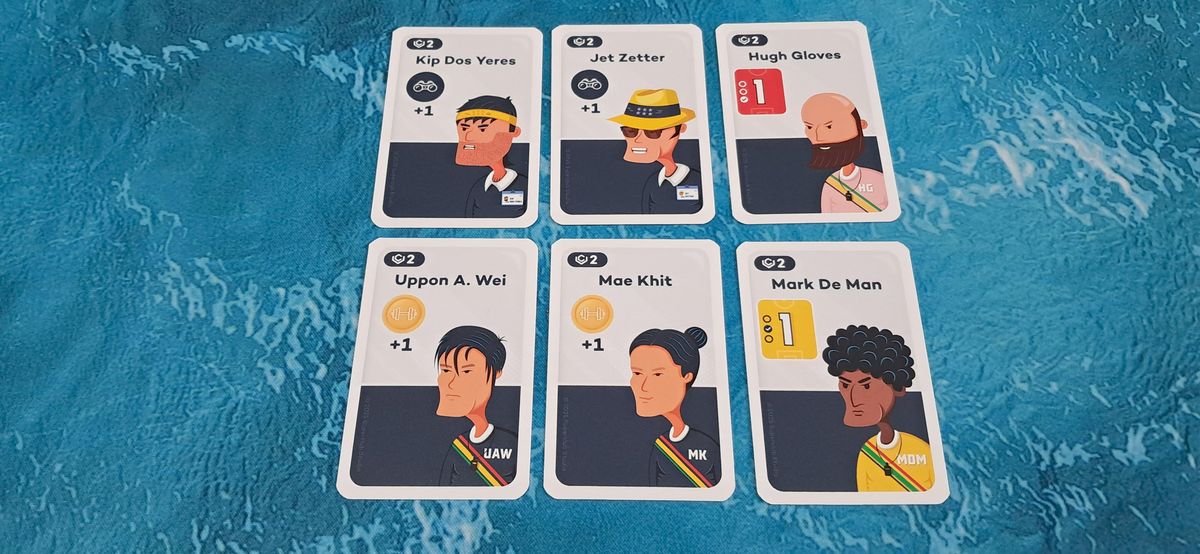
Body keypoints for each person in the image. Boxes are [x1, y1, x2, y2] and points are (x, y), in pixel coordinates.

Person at [822, 325, 934, 492]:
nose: (853, 399)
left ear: (897, 387)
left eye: (866, 386)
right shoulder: (867, 452)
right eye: (845, 385)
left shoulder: (923, 449)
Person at [628, 327, 719, 487]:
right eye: (637, 373)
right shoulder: (654, 442)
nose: (643, 386)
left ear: (686, 376)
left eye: (657, 374)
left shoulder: (707, 441)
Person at [435, 326, 517, 487]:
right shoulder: (457, 443)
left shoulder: (511, 440)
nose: (451, 382)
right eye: (445, 370)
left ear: (497, 373)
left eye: (466, 371)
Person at [607, 89, 702, 214]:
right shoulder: (652, 182)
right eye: (630, 131)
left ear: (680, 129)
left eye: (652, 132)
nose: (638, 139)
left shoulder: (701, 180)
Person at [800, 93, 889, 214]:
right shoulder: (830, 183)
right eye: (809, 127)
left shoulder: (880, 179)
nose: (818, 136)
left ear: (861, 124)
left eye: (829, 127)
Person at [455, 96, 527, 218]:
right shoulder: (478, 186)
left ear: (514, 132)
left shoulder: (526, 185)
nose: (469, 137)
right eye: (464, 128)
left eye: (482, 129)